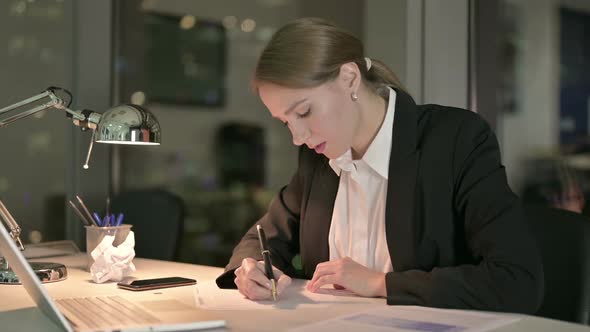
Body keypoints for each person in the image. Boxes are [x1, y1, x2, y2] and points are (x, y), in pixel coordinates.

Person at [216, 17, 544, 313]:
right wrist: (252, 269)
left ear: (349, 78)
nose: (297, 137)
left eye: (303, 112)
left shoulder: (455, 140)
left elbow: (517, 279)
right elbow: (262, 238)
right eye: (285, 122)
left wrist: (379, 284)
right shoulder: (317, 158)